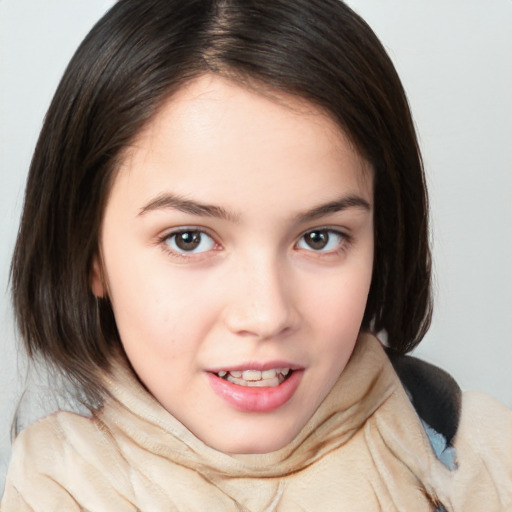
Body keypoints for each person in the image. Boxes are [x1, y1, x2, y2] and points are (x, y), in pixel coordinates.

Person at [1, 0, 511, 510]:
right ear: (90, 254)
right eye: (189, 239)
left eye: (319, 238)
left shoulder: (481, 459)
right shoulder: (52, 485)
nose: (266, 316)